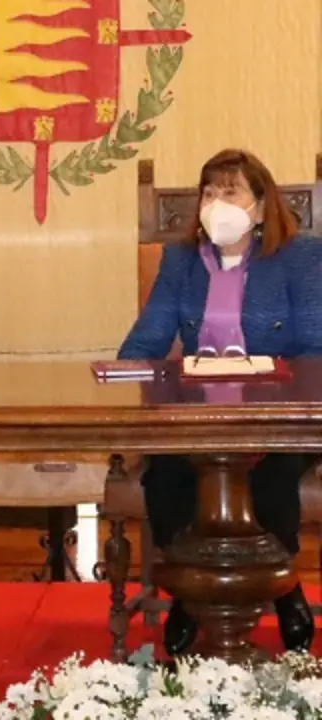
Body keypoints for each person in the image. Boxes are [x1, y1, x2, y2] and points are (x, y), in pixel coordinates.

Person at [118, 148, 322, 657]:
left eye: (230, 192)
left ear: (260, 206)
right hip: (197, 418)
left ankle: (284, 587)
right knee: (167, 478)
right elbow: (148, 340)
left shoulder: (299, 257)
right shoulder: (181, 261)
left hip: (279, 418)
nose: (216, 203)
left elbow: (316, 348)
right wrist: (123, 376)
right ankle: (192, 592)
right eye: (209, 192)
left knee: (267, 481)